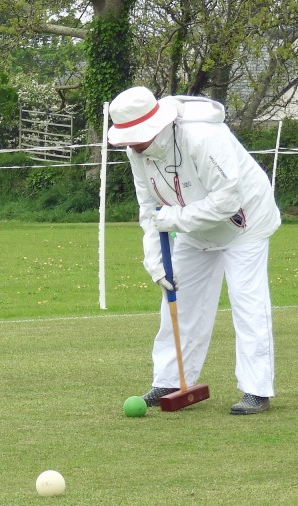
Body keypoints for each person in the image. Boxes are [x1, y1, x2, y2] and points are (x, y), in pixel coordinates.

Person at [108, 86, 281, 414]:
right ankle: (170, 380)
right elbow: (149, 208)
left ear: (155, 125)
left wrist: (174, 217)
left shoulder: (202, 136)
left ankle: (257, 389)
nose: (132, 144)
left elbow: (228, 199)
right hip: (192, 228)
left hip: (245, 222)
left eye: (135, 136)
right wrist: (154, 260)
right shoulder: (136, 153)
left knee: (248, 302)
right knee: (178, 300)